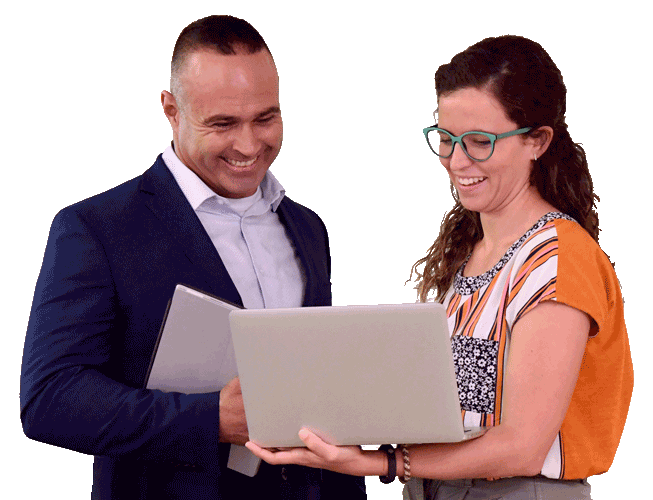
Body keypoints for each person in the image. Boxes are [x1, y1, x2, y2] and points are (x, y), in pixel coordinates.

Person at [245, 36, 634, 499]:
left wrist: (380, 461)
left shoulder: (559, 258)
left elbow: (522, 446)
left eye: (479, 142)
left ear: (538, 141)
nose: (457, 161)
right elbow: (461, 410)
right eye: (446, 140)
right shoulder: (472, 253)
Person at [20, 15, 366, 500]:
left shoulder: (308, 227)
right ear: (171, 110)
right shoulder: (95, 229)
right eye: (222, 124)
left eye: (265, 118)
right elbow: (50, 400)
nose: (249, 145)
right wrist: (208, 418)